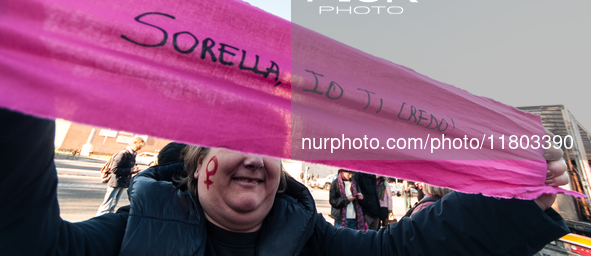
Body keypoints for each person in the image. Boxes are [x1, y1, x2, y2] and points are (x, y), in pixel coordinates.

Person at [0, 108, 571, 256]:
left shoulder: (311, 240)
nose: (255, 160)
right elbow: (31, 245)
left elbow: (408, 249)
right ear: (202, 165)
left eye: (269, 151)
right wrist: (16, 94)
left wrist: (509, 203)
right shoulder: (129, 232)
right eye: (235, 146)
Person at [95, 135, 145, 216]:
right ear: (134, 143)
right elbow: (114, 169)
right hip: (116, 181)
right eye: (139, 146)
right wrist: (130, 170)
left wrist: (133, 171)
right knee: (107, 203)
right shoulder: (123, 154)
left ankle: (109, 217)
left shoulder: (132, 155)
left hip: (123, 181)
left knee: (113, 204)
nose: (140, 149)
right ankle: (99, 217)